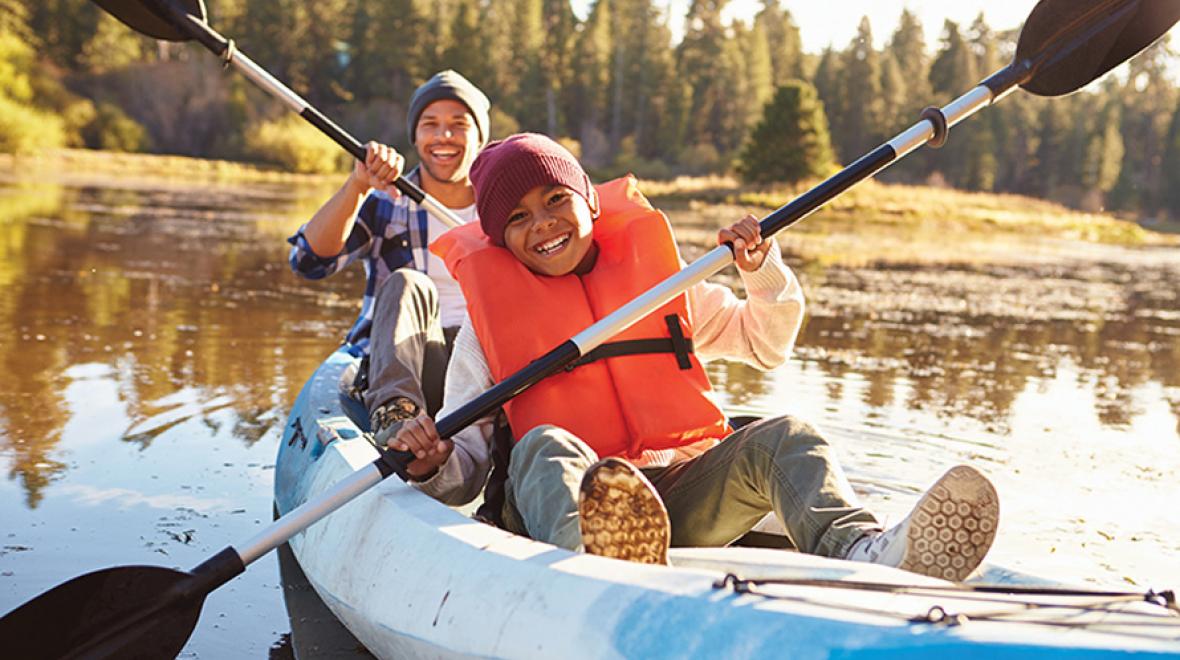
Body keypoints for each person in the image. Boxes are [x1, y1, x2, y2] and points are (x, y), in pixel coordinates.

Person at [387, 133, 999, 581]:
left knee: (787, 436)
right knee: (544, 440)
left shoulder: (661, 289)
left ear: (590, 203)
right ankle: (592, 567)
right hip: (559, 508)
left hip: (677, 496)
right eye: (517, 219)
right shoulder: (484, 335)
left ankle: (863, 551)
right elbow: (463, 471)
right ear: (498, 241)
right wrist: (433, 459)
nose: (542, 224)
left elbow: (765, 342)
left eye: (555, 200)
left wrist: (760, 273)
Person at [287, 70, 490, 434]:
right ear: (415, 135)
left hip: (485, 368)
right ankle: (397, 417)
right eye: (430, 124)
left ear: (480, 137)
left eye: (458, 124)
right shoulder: (385, 203)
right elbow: (308, 262)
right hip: (411, 362)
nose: (443, 135)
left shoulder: (503, 213)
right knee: (408, 283)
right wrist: (358, 185)